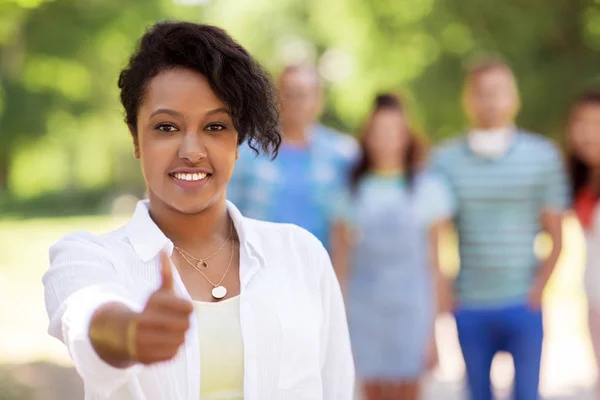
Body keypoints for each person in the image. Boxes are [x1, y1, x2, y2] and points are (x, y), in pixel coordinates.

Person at [42, 21, 354, 400]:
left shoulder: (301, 254)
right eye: (167, 127)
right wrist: (130, 332)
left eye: (216, 126)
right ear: (135, 138)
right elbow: (85, 315)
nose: (192, 150)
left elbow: (336, 385)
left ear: (238, 139)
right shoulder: (90, 258)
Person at [430, 58, 569, 400]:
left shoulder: (543, 156)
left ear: (514, 98)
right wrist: (445, 291)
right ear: (468, 99)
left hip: (523, 302)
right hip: (470, 303)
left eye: (498, 92)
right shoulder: (445, 160)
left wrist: (538, 290)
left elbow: (557, 235)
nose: (490, 101)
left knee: (527, 394)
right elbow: (435, 235)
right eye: (481, 93)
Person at [330, 93, 454, 400]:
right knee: (373, 390)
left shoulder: (430, 189)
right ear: (367, 137)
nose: (386, 139)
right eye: (378, 131)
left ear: (406, 136)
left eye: (393, 131)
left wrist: (435, 331)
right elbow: (340, 264)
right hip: (364, 308)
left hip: (413, 307)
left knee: (410, 390)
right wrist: (336, 323)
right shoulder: (350, 191)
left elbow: (437, 265)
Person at [227, 64, 358, 249]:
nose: (295, 102)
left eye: (302, 94)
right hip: (260, 262)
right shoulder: (248, 152)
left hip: (318, 266)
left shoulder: (341, 153)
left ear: (318, 100)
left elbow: (345, 223)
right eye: (288, 93)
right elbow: (227, 215)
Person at [566, 88, 600, 396]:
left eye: (596, 122)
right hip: (594, 302)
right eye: (581, 122)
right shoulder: (582, 178)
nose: (587, 132)